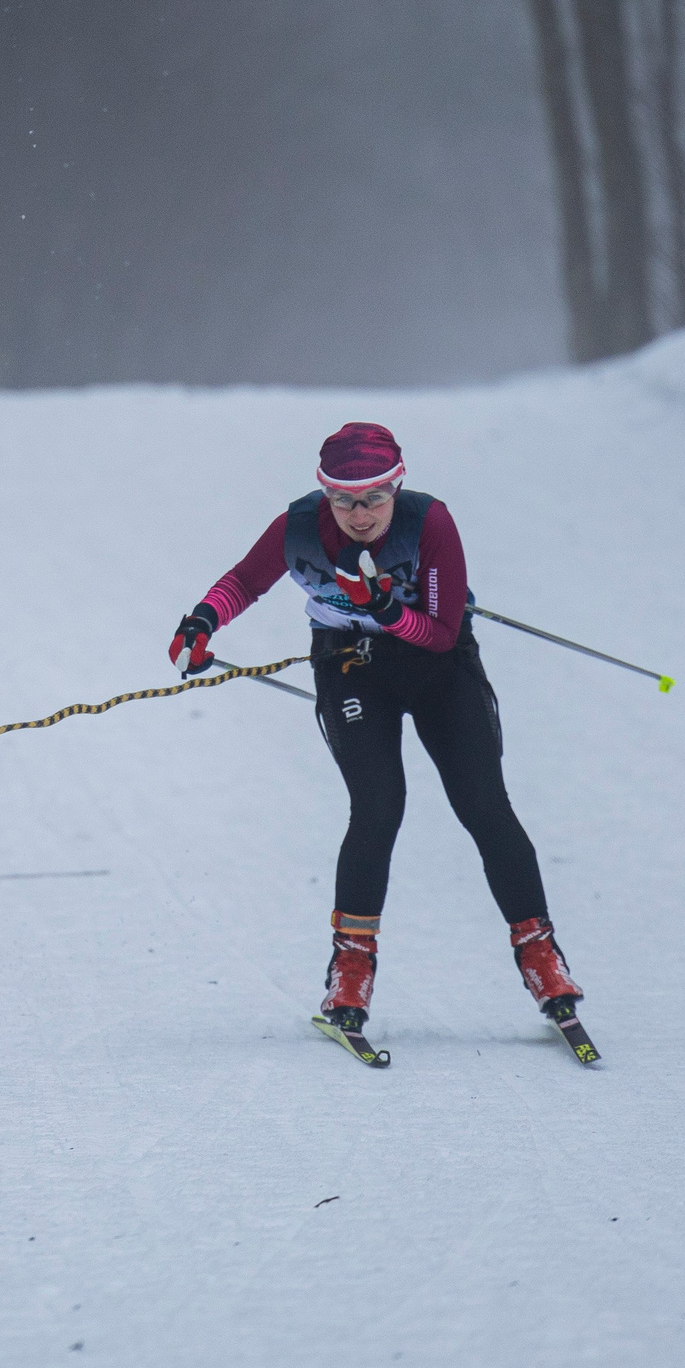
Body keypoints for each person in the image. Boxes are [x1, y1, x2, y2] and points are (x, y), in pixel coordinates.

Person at [168, 421, 582, 1037]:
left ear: (397, 488)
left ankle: (541, 955)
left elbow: (441, 634)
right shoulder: (299, 526)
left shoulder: (429, 523)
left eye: (374, 499)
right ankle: (351, 968)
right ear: (324, 496)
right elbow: (246, 581)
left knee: (483, 804)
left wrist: (382, 606)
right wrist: (202, 622)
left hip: (439, 668)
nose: (359, 515)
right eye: (344, 501)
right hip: (349, 666)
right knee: (378, 806)